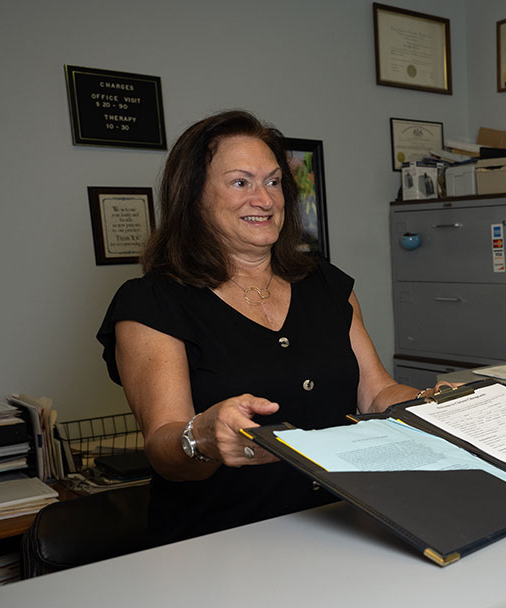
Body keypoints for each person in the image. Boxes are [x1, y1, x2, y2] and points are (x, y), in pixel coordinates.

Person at [97, 110, 447, 546]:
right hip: (223, 543)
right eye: (241, 182)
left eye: (274, 181)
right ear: (194, 196)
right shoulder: (152, 302)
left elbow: (376, 393)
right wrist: (202, 437)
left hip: (342, 526)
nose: (264, 199)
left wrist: (439, 407)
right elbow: (165, 447)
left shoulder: (325, 284)